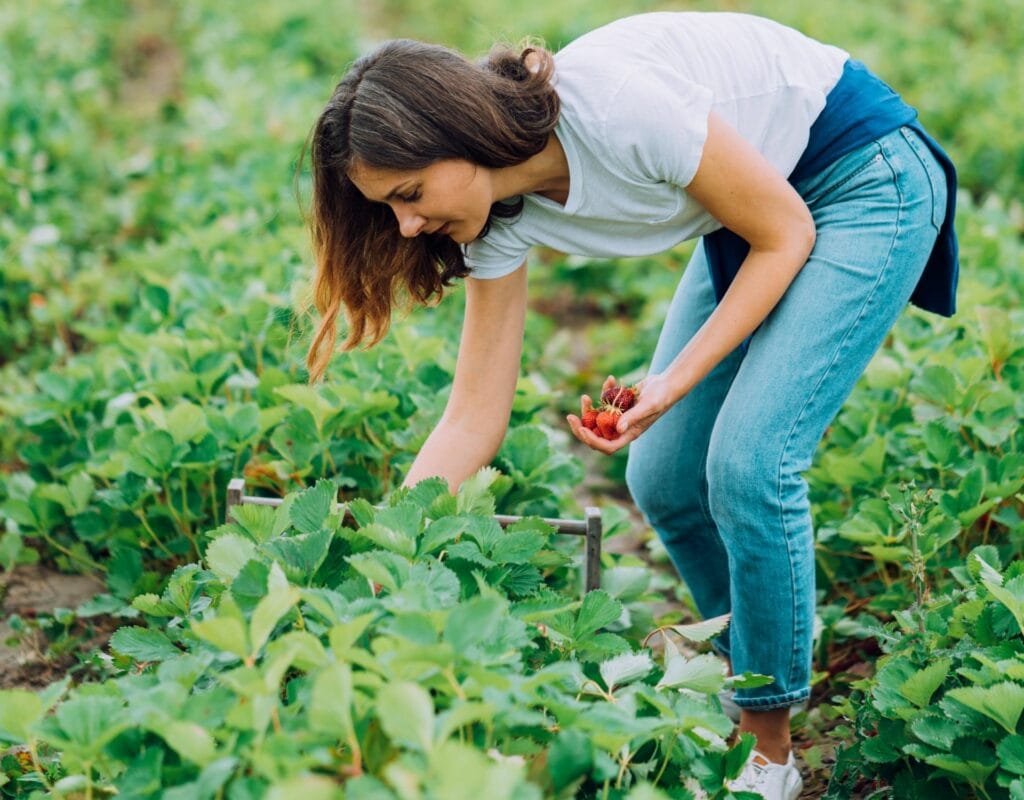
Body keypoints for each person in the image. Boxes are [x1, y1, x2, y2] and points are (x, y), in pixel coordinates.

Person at [301, 11, 958, 799]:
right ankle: (752, 659)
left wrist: (672, 381)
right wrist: (384, 558)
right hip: (750, 213)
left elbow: (785, 231)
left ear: (458, 130)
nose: (406, 224)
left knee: (750, 463)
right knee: (667, 478)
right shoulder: (493, 220)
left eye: (409, 194)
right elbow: (474, 413)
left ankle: (770, 747)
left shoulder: (610, 107)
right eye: (389, 209)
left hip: (858, 178)